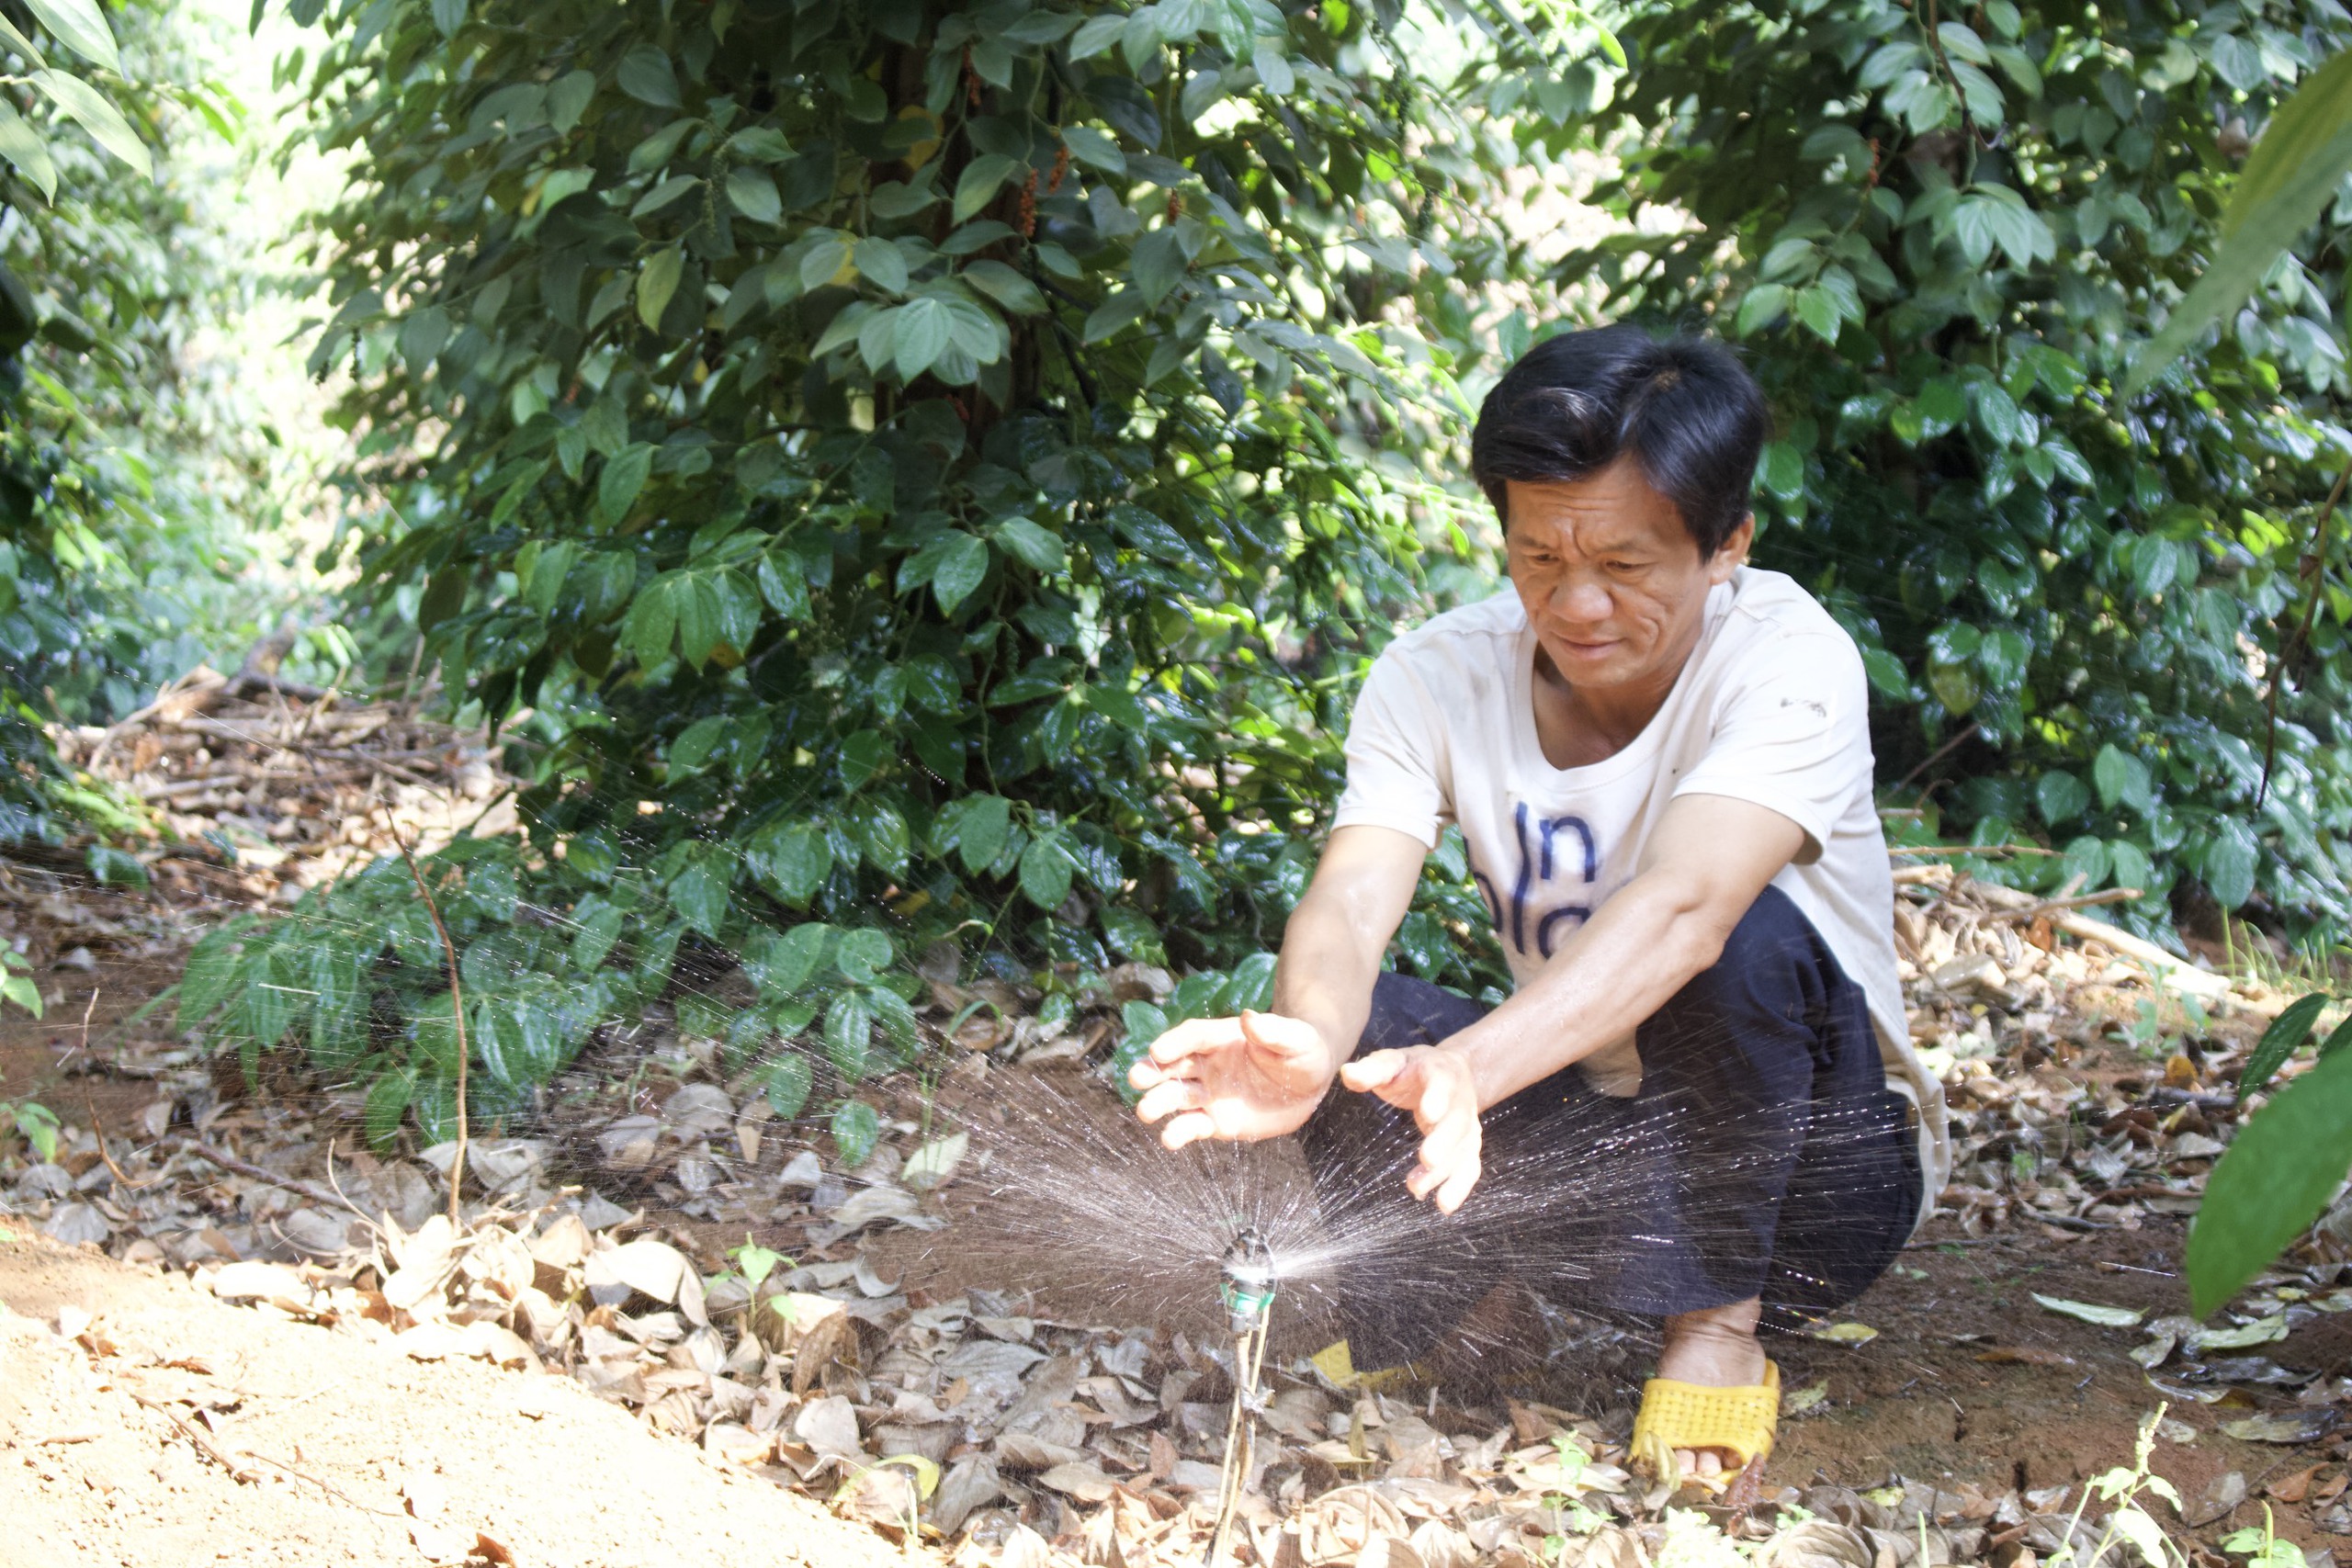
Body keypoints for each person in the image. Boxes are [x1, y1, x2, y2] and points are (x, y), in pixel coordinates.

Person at [1129, 324, 1950, 1498]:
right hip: (1602, 1153)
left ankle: (1716, 1327)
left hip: (1809, 1186)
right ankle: (1455, 1312)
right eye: (1537, 555)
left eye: (1624, 564)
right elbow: (1355, 894)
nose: (1576, 603)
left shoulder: (1788, 657)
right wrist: (1310, 1039)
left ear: (1727, 546)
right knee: (1363, 1035)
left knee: (1746, 941)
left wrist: (1468, 1067)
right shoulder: (1433, 674)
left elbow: (1686, 908)